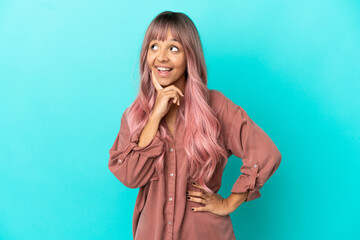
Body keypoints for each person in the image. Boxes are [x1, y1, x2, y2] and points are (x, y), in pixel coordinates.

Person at [108, 11, 282, 240]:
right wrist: (154, 117)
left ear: (189, 56)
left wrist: (229, 203)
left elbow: (266, 153)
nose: (161, 57)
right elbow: (130, 176)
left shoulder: (216, 107)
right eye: (154, 46)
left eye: (173, 48)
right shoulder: (135, 115)